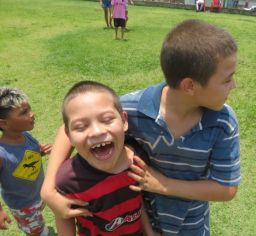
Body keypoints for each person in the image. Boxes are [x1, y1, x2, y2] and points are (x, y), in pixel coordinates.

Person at [41, 19, 241, 235]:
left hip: (190, 227)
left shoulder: (223, 122)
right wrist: (48, 189)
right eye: (227, 79)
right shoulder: (133, 108)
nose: (234, 85)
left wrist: (163, 184)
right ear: (189, 86)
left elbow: (226, 188)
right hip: (139, 225)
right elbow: (69, 128)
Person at [55, 81, 154, 235]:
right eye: (80, 127)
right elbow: (63, 216)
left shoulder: (138, 160)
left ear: (124, 121)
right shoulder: (68, 180)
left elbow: (138, 200)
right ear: (69, 136)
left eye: (107, 119)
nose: (96, 132)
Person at [0, 87, 51, 236]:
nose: (32, 114)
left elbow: (24, 157)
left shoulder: (27, 135)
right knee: (35, 231)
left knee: (38, 218)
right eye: (24, 113)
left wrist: (39, 152)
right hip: (23, 206)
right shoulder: (2, 153)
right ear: (3, 124)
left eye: (29, 109)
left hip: (39, 193)